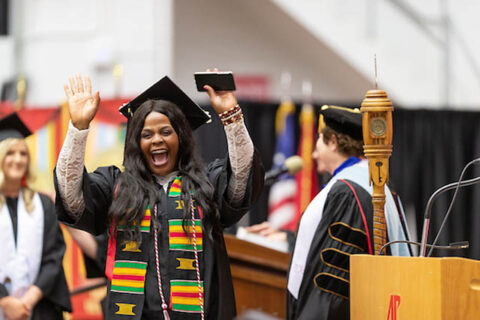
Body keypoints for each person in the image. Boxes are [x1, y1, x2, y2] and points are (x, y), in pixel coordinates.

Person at [54, 74, 264, 319]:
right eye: (147, 135)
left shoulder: (204, 183)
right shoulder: (117, 187)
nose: (157, 140)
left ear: (181, 138)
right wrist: (77, 129)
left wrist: (232, 118)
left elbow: (241, 181)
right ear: (136, 142)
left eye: (166, 131)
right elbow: (71, 197)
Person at [0, 113, 72, 320]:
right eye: (10, 153)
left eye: (23, 153)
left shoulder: (43, 204)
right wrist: (4, 301)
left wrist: (28, 300)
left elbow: (54, 256)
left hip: (38, 308)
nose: (18, 159)